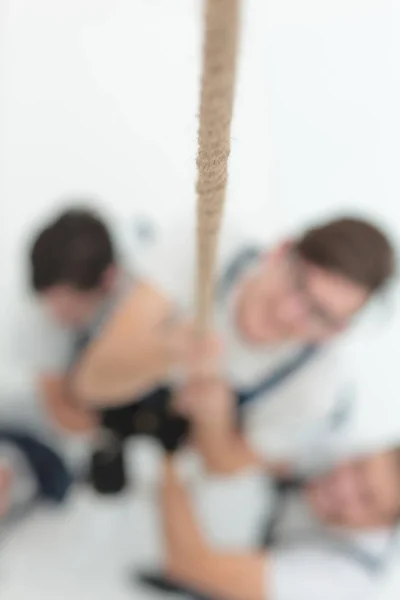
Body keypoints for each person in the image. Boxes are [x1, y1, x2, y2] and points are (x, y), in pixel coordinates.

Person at [29, 206, 395, 483]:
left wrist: (215, 419)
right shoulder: (207, 244)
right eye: (298, 283)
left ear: (337, 331)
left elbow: (225, 467)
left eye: (321, 315)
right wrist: (166, 351)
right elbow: (90, 384)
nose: (289, 312)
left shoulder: (315, 387)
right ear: (281, 251)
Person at [147, 434, 400, 600]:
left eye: (366, 498)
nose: (344, 486)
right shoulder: (335, 444)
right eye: (358, 466)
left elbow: (189, 564)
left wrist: (166, 452)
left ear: (385, 526)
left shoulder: (343, 582)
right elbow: (232, 453)